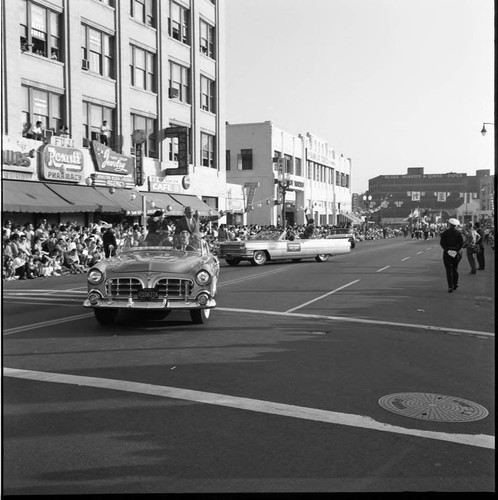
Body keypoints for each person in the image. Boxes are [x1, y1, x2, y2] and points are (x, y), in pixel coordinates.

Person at [440, 218, 464, 293]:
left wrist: (447, 249)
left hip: (447, 252)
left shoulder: (445, 233)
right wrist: (456, 249)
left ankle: (450, 286)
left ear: (450, 225)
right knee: (455, 269)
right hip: (456, 252)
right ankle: (455, 283)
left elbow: (442, 243)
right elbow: (461, 243)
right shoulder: (458, 233)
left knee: (448, 270)